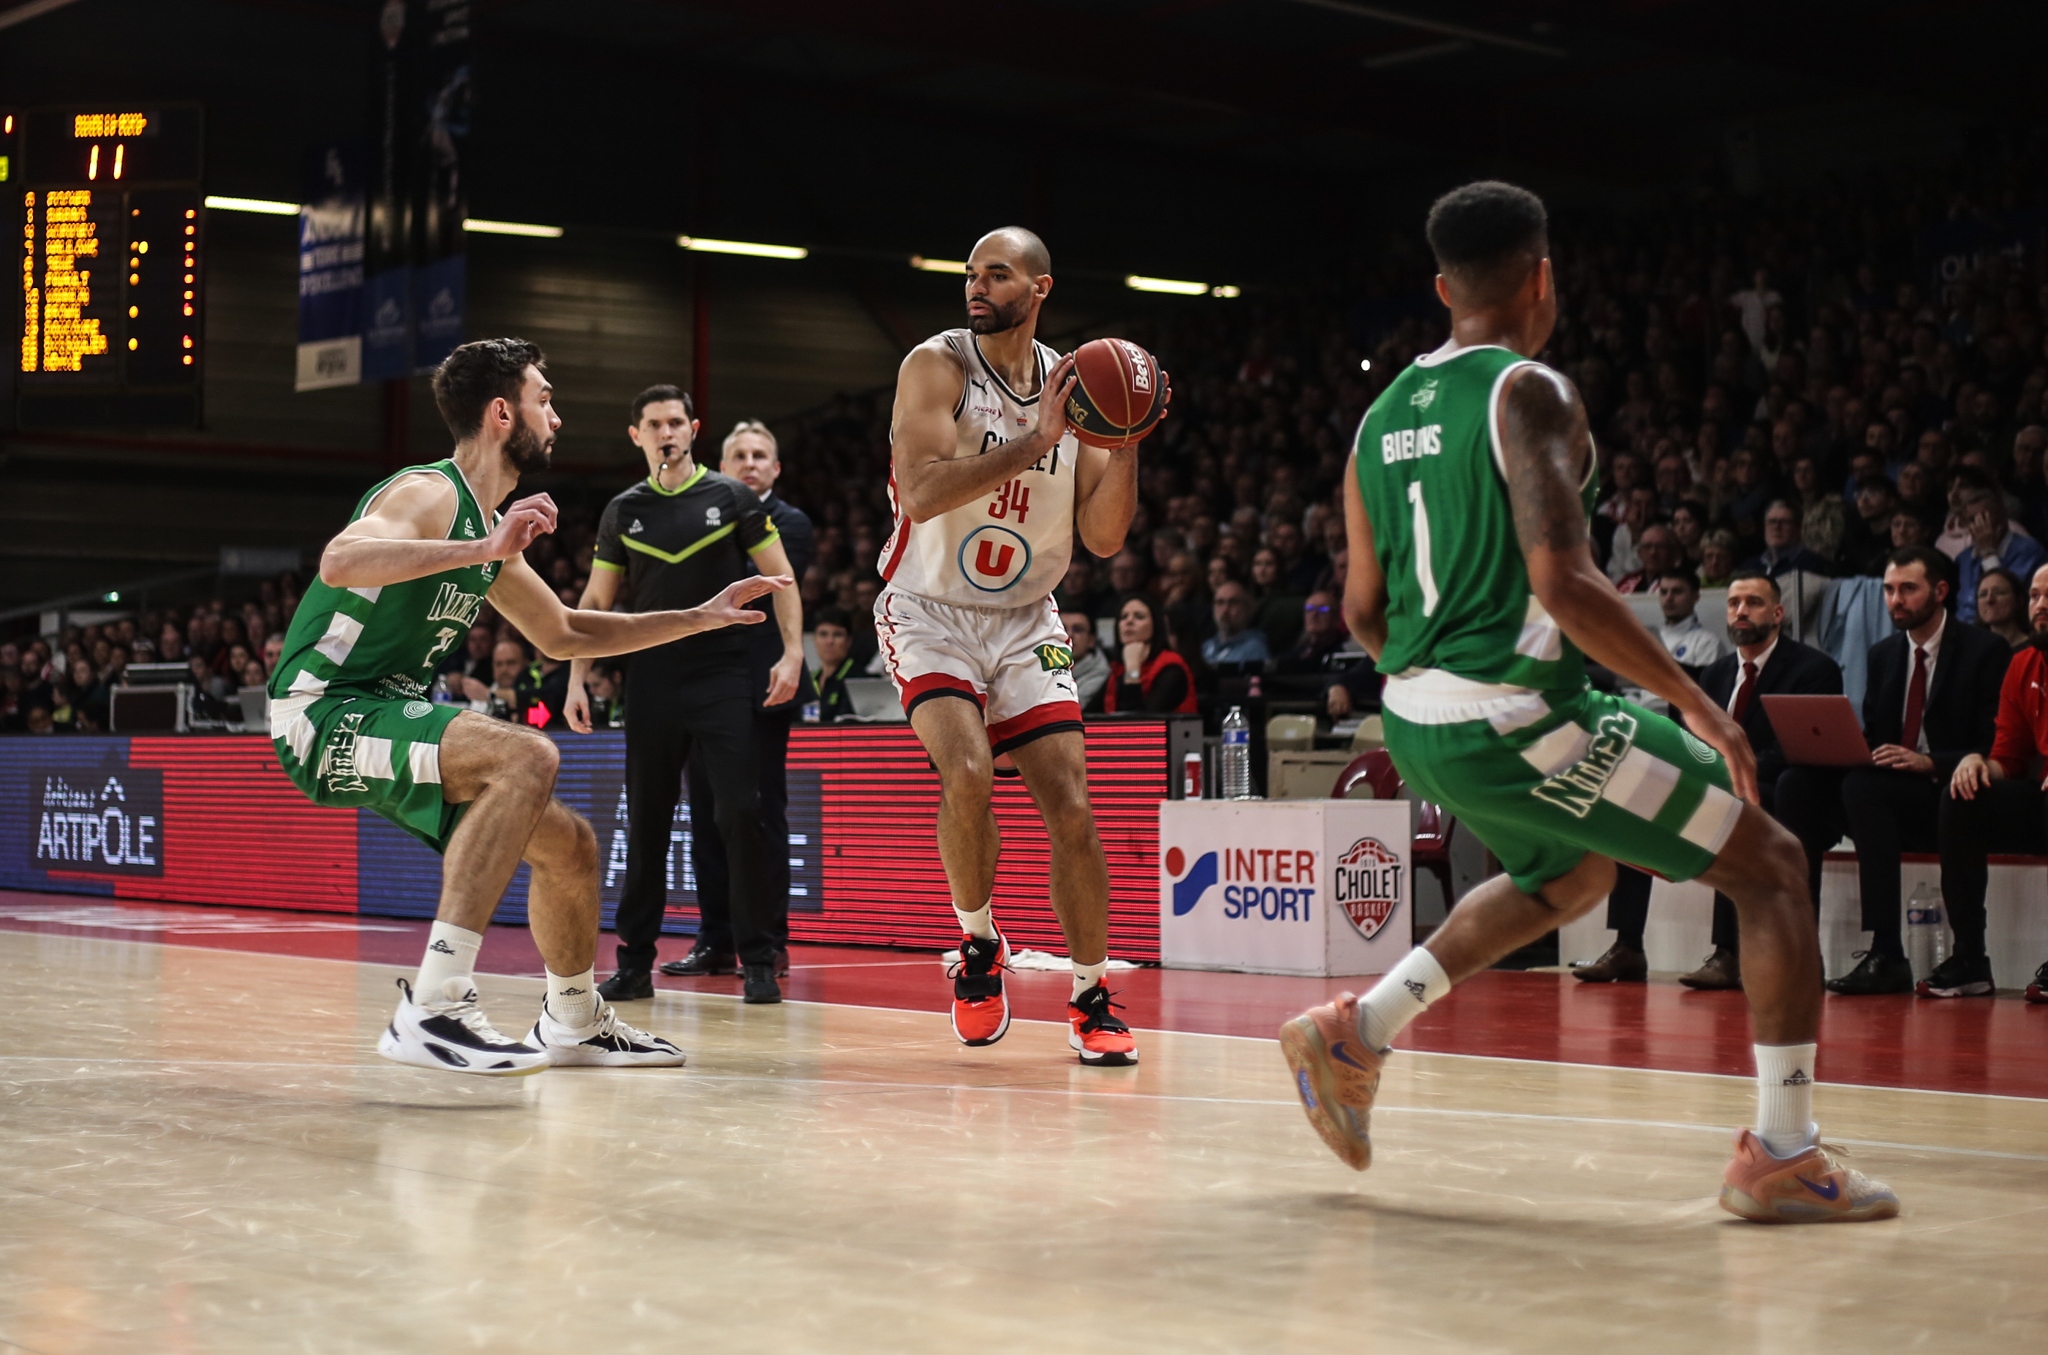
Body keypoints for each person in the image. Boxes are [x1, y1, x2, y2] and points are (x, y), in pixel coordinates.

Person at [1279, 182, 1896, 1222]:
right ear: (1543, 277)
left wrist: (1433, 684)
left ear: (1441, 289)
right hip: (1514, 714)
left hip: (1418, 719)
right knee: (1773, 864)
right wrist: (1699, 706)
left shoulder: (1375, 421)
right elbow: (1564, 579)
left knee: (1569, 874)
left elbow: (1358, 605)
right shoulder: (1529, 390)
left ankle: (1357, 1029)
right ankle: (1782, 1150)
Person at [265, 337, 787, 1076]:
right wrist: (480, 549)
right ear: (504, 412)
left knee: (571, 847)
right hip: (322, 712)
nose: (559, 418)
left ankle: (573, 1018)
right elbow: (340, 560)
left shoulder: (487, 529)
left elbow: (566, 632)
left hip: (386, 708)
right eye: (546, 400)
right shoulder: (430, 492)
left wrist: (700, 614)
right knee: (529, 752)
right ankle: (436, 1005)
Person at [875, 226, 1168, 1066]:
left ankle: (1090, 994)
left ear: (1040, 288)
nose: (977, 284)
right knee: (966, 773)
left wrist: (1126, 440)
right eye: (971, 271)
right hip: (928, 606)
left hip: (1025, 616)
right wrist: (1035, 442)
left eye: (996, 273)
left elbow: (1105, 540)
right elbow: (924, 493)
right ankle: (977, 947)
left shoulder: (1079, 388)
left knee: (1071, 807)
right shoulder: (938, 366)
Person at [562, 384, 806, 1006]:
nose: (666, 432)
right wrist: (575, 676)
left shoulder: (733, 497)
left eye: (676, 422)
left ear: (694, 428)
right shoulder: (622, 510)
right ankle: (634, 964)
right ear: (636, 435)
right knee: (645, 823)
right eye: (654, 423)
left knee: (738, 813)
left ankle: (755, 959)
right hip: (651, 681)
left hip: (722, 678)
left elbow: (781, 580)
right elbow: (597, 602)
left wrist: (793, 653)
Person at [1800, 548, 2008, 995]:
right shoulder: (1883, 655)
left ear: (1940, 591)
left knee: (1867, 788)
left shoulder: (1985, 650)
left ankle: (1921, 951)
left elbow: (1996, 743)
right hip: (1897, 795)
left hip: (1956, 789)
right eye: (1889, 590)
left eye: (1907, 589)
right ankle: (1823, 946)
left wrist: (1931, 762)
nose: (1896, 600)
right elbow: (1879, 735)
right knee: (1802, 784)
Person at [660, 420, 818, 982]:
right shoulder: (698, 518)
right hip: (701, 685)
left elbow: (753, 586)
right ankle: (715, 938)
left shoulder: (791, 525)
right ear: (722, 466)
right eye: (739, 455)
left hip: (760, 685)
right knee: (705, 815)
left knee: (756, 814)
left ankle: (769, 940)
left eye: (760, 455)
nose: (750, 463)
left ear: (775, 469)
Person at [1663, 572, 1841, 990]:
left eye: (1753, 603)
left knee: (1745, 800)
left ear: (1778, 613)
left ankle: (1787, 954)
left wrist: (1733, 773)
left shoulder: (1814, 669)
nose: (1741, 610)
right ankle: (1644, 945)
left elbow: (1799, 748)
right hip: (1734, 789)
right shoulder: (1715, 676)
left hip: (1794, 793)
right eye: (1733, 602)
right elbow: (1696, 744)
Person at [1946, 560, 2048, 1005]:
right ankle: (1969, 958)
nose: (2040, 606)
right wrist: (1977, 763)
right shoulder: (2023, 662)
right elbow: (2009, 755)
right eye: (2035, 597)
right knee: (1963, 796)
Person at [1954, 487, 2047, 623]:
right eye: (1973, 520)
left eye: (1985, 517)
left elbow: (2008, 603)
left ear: (2002, 517)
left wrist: (1988, 554)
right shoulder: (1964, 558)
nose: (1979, 525)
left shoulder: (2029, 551)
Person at [1102, 594, 1197, 715]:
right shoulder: (1117, 667)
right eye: (1123, 617)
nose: (1129, 621)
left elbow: (1139, 724)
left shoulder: (1172, 668)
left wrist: (1132, 669)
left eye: (1139, 617)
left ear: (1155, 625)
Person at [1743, 500, 1834, 579]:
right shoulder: (1749, 567)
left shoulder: (1813, 565)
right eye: (1771, 521)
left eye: (1784, 522)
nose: (1776, 527)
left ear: (1798, 529)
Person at [1201, 580, 1269, 666]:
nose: (1225, 609)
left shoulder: (1255, 649)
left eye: (1233, 602)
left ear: (1247, 608)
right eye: (1220, 602)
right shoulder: (1206, 647)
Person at [809, 606, 858, 722]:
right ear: (814, 639)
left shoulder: (860, 679)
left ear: (849, 641)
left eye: (837, 635)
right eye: (823, 634)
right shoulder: (808, 680)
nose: (829, 641)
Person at [1061, 606, 1111, 711]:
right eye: (1062, 628)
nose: (1069, 635)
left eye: (1077, 630)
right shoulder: (1038, 665)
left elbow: (1066, 712)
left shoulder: (1102, 675)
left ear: (1091, 640)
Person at [1975, 566, 2028, 648]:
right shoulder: (1971, 649)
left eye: (1999, 593)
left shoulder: (2038, 650)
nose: (1989, 600)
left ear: (2019, 600)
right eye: (1983, 594)